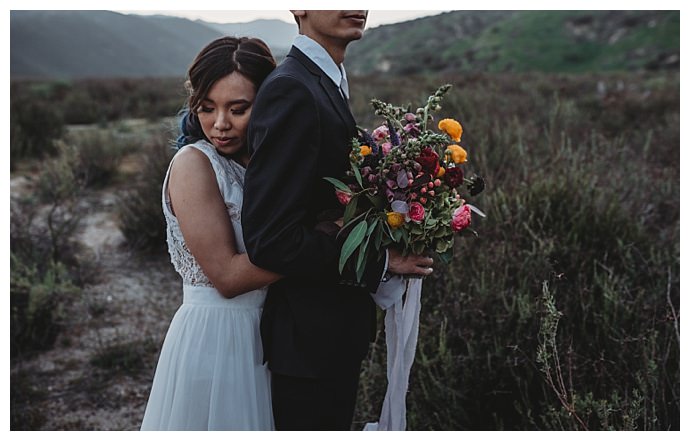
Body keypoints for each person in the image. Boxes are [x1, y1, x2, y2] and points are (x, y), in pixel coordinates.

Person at [242, 10, 434, 431]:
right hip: (307, 342)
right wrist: (381, 261)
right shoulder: (292, 89)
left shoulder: (325, 81)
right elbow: (271, 239)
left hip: (329, 335)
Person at [140, 36, 280, 430]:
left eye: (238, 109)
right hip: (218, 338)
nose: (219, 124)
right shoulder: (194, 164)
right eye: (206, 108)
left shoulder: (260, 166)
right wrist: (328, 242)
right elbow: (228, 278)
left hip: (269, 334)